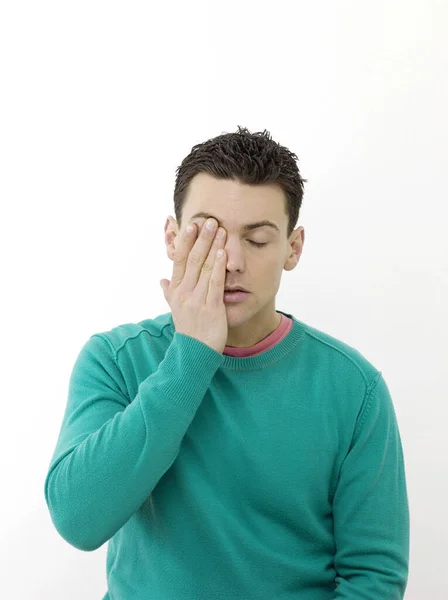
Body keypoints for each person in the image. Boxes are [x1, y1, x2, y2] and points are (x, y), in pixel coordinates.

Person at [44, 126, 410, 599]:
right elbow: (78, 520)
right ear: (173, 239)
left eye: (257, 240)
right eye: (209, 234)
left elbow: (372, 579)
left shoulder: (353, 389)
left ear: (292, 248)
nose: (232, 260)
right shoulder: (116, 359)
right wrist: (192, 354)